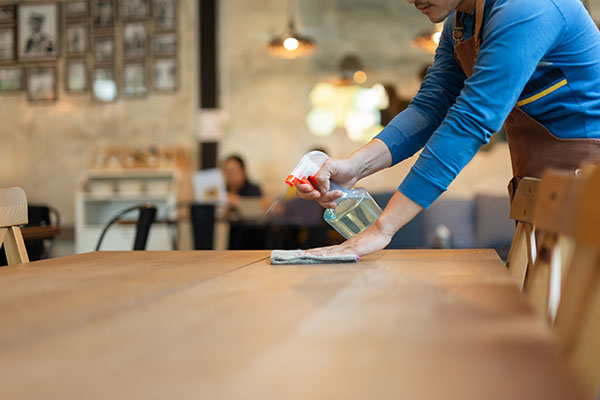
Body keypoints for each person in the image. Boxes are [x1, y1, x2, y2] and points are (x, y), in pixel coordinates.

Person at [296, 0, 600, 257]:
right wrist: (353, 166)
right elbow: (430, 107)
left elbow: (471, 119)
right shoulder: (461, 21)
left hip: (586, 194)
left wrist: (383, 228)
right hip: (543, 194)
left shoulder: (528, 7)